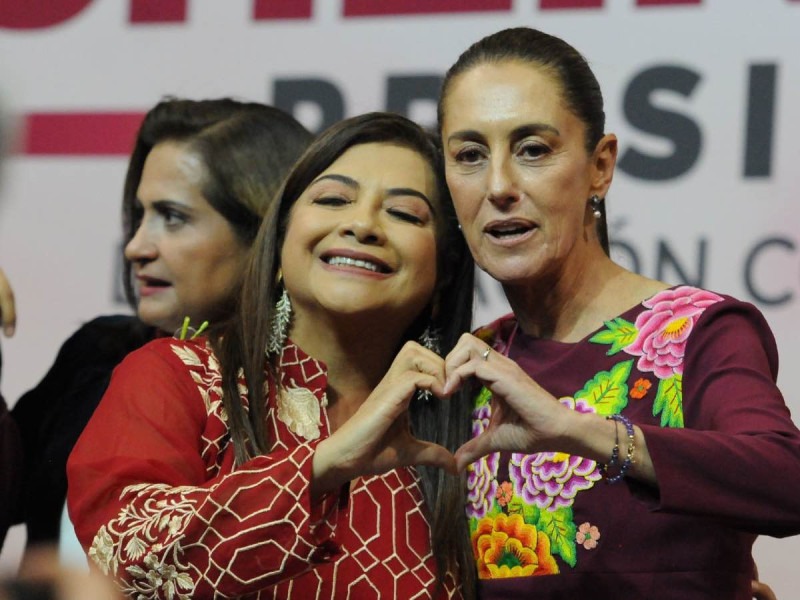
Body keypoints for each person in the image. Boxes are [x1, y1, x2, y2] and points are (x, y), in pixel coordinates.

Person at [436, 27, 800, 599]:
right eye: (470, 156)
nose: (499, 185)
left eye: (533, 150)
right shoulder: (468, 365)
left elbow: (787, 480)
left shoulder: (693, 332)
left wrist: (577, 431)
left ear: (600, 166)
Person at [66, 112, 477, 598]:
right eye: (332, 199)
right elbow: (122, 561)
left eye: (405, 213)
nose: (362, 224)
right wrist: (323, 466)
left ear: (443, 277)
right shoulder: (177, 378)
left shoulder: (470, 423)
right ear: (280, 242)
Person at [11, 97, 313, 559]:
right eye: (140, 215)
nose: (135, 247)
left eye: (173, 217)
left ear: (265, 232)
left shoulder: (311, 400)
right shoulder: (96, 355)